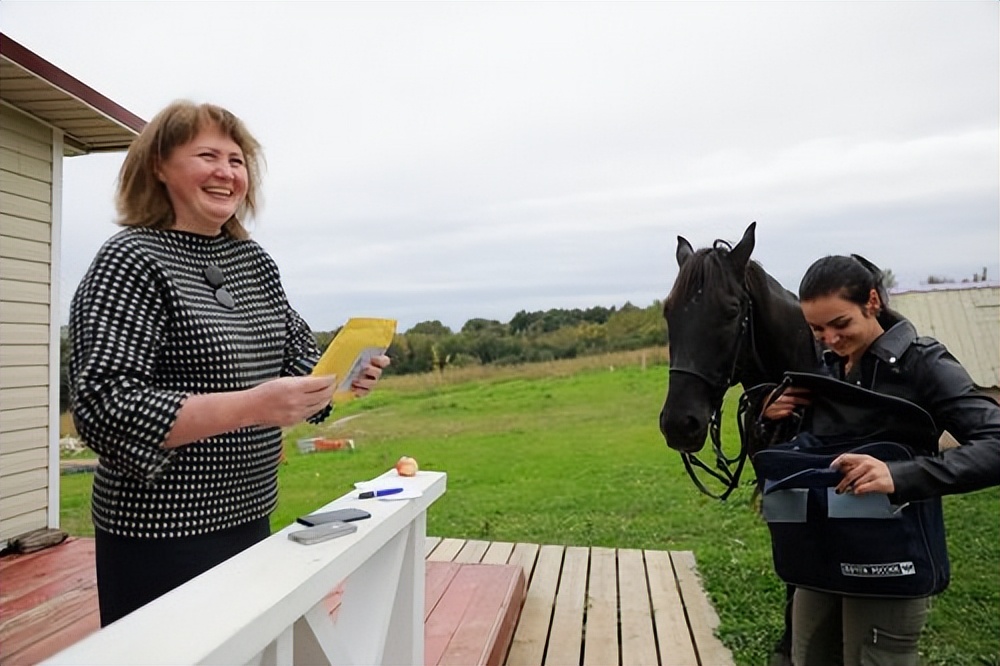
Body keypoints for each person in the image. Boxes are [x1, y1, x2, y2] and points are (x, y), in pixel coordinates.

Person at [68, 100, 390, 627]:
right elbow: (105, 408)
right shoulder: (131, 260)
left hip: (248, 515)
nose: (226, 172)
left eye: (237, 160)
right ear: (158, 167)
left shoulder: (253, 262)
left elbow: (299, 361)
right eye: (207, 156)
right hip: (159, 535)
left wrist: (342, 379)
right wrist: (252, 406)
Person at [762, 254, 1000, 666]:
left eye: (841, 324)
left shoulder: (922, 363)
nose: (830, 339)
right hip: (818, 556)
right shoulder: (824, 370)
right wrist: (774, 418)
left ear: (872, 301)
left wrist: (900, 474)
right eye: (817, 330)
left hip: (890, 561)